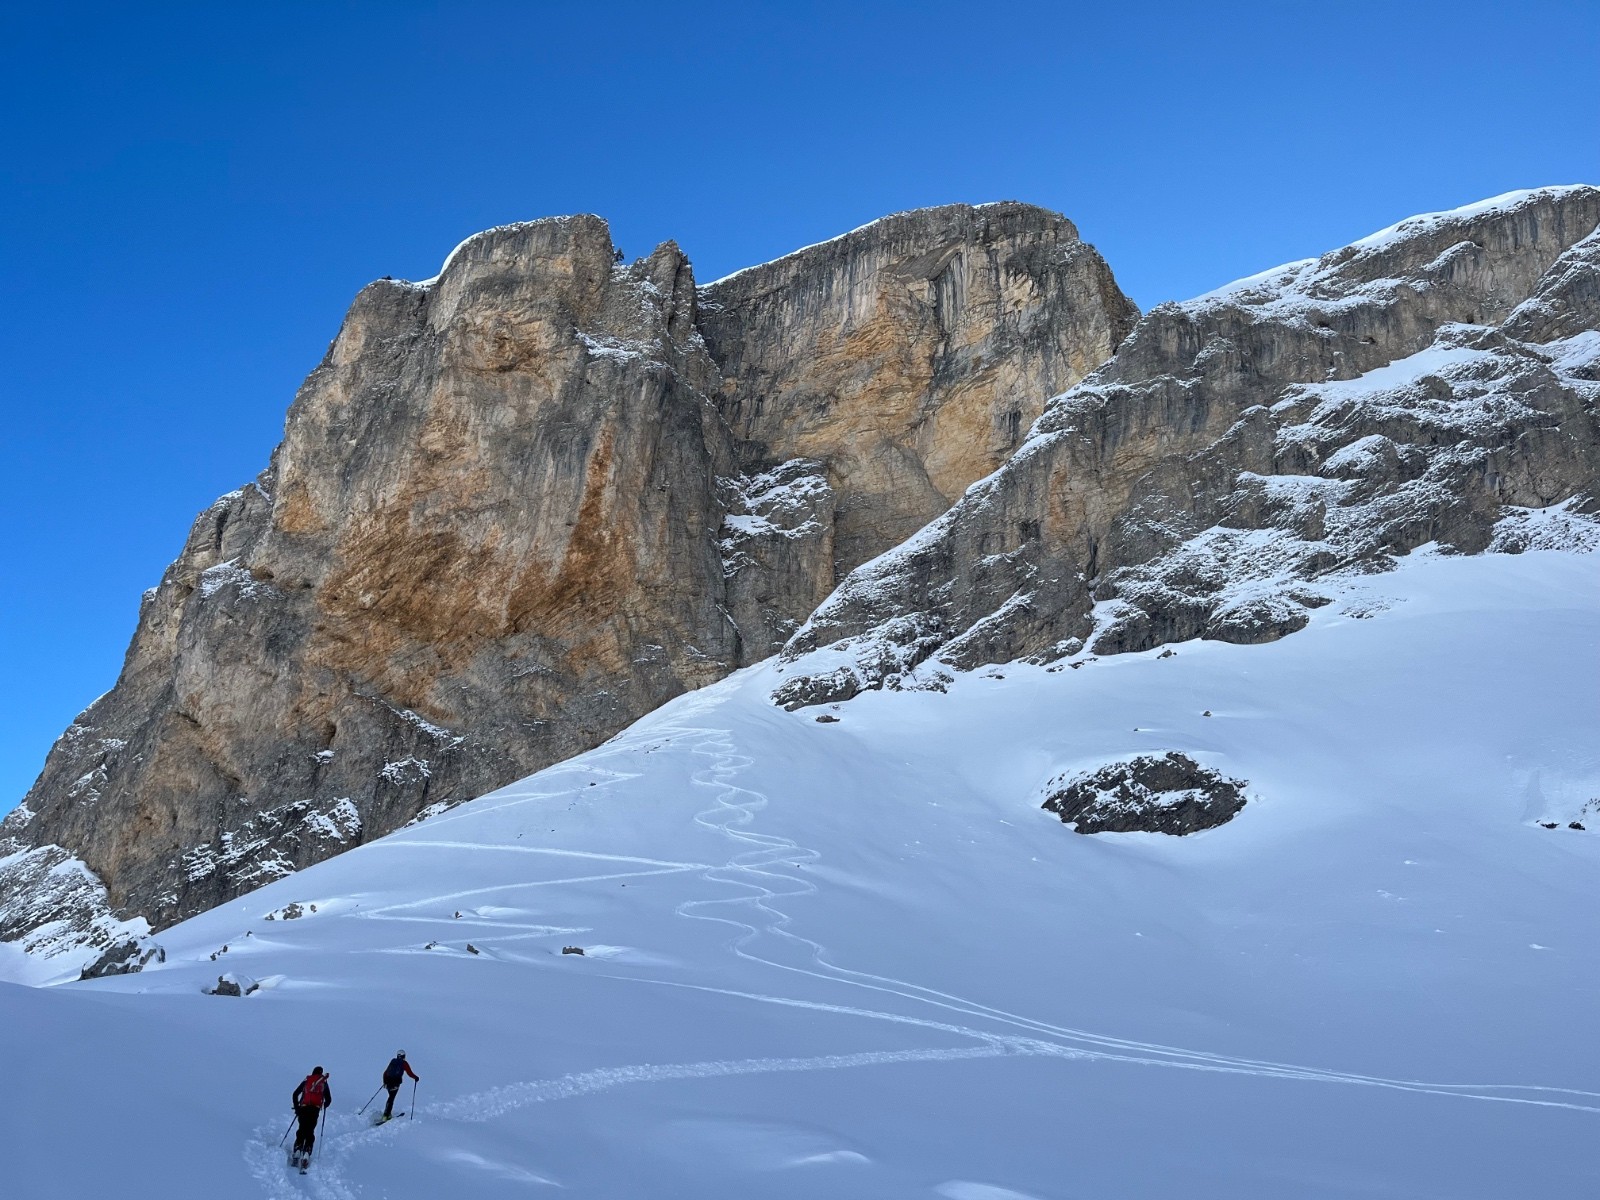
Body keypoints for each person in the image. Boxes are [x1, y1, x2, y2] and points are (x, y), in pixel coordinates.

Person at [291, 1066, 332, 1163]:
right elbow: (329, 1099)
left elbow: (295, 1094)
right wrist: (325, 1105)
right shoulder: (323, 1083)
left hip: (304, 1108)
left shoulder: (307, 1080)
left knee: (302, 1127)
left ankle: (298, 1148)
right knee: (310, 1129)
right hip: (315, 1109)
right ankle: (307, 1151)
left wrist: (297, 1107)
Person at [381, 1050, 419, 1119]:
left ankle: (386, 1113)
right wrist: (416, 1077)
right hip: (395, 1083)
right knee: (391, 1098)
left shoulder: (393, 1061)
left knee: (390, 1097)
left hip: (388, 1082)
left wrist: (384, 1082)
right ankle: (386, 1115)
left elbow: (385, 1072)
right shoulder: (404, 1063)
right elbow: (409, 1073)